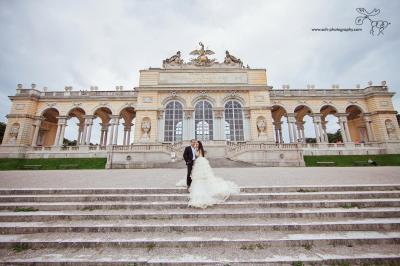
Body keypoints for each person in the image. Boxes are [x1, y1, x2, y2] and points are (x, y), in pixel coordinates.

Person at [187, 140, 240, 208]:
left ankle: (204, 185)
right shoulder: (199, 149)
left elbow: (198, 155)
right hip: (200, 162)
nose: (196, 144)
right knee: (201, 175)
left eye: (197, 144)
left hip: (200, 162)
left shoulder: (199, 149)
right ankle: (203, 183)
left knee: (201, 175)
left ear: (199, 144)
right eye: (195, 144)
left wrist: (194, 151)